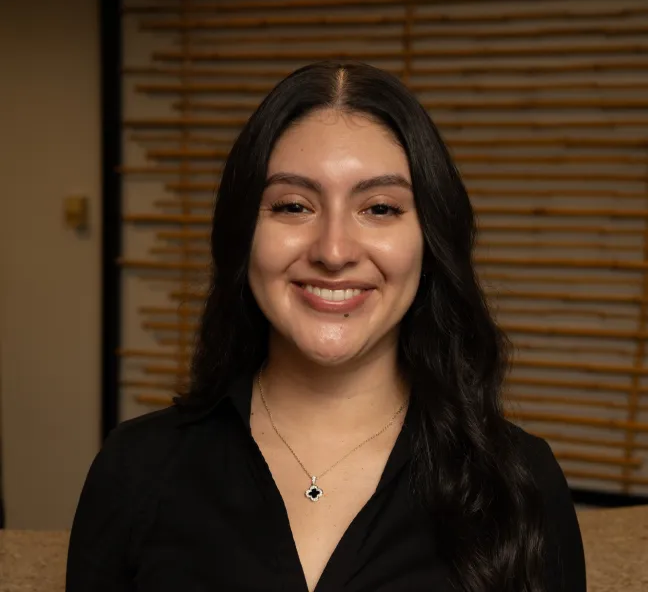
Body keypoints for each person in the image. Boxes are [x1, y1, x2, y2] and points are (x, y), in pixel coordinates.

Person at [66, 61, 586, 592]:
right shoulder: (135, 468)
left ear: (430, 240)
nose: (334, 252)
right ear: (243, 235)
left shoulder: (520, 482)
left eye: (379, 208)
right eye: (293, 206)